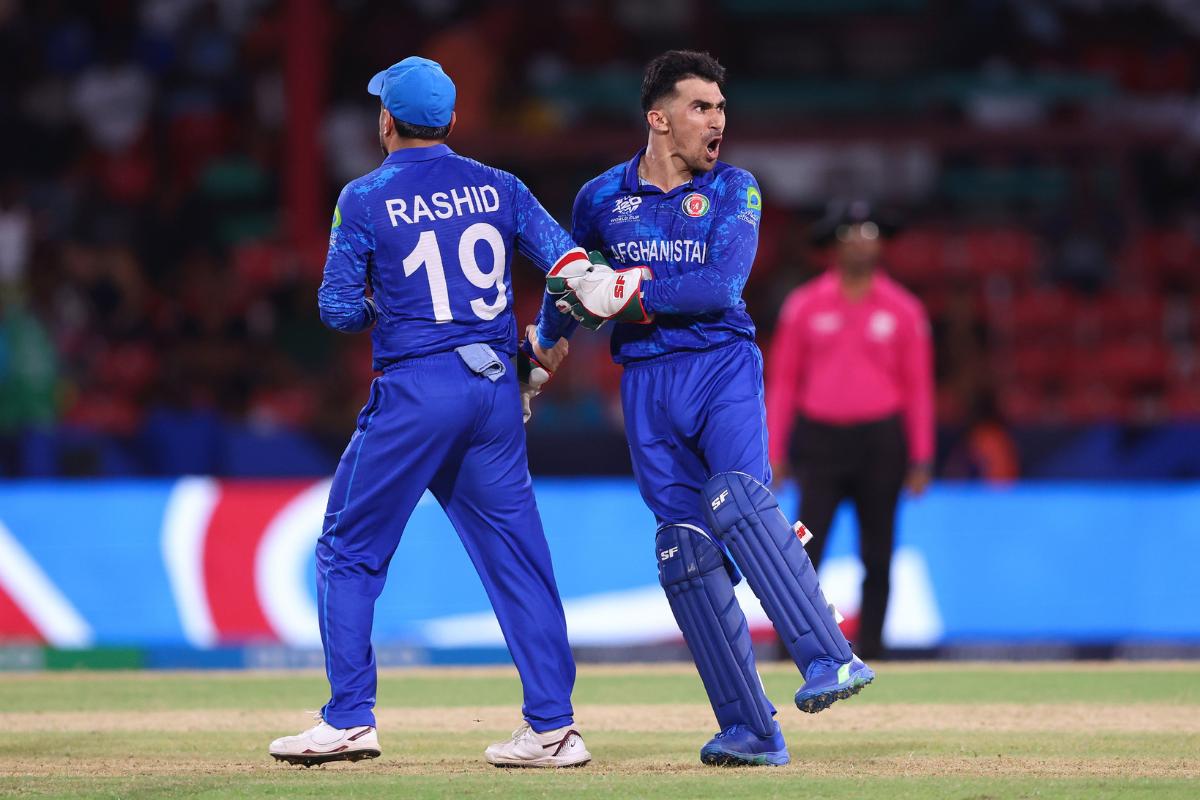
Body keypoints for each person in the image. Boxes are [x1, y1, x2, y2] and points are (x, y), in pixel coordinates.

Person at [541, 50, 873, 768]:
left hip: (720, 367)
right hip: (645, 386)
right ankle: (752, 730)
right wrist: (546, 347)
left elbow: (719, 285)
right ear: (658, 118)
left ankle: (830, 656)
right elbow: (568, 278)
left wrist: (623, 294)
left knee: (740, 504)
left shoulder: (735, 191)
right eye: (701, 107)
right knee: (685, 554)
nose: (717, 121)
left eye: (721, 108)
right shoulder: (600, 198)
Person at [268, 57, 593, 769]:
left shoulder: (363, 196)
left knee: (347, 552)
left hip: (418, 390)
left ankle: (350, 718)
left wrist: (389, 302)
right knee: (518, 560)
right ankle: (554, 728)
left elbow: (336, 309)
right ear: (450, 120)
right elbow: (572, 269)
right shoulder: (501, 186)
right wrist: (541, 348)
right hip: (495, 388)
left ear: (385, 121)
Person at [765, 200, 935, 660]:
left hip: (881, 442)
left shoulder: (904, 310)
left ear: (882, 243)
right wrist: (773, 450)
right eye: (850, 233)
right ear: (833, 245)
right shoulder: (803, 307)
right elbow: (783, 383)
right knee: (801, 552)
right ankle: (793, 649)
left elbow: (918, 387)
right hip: (821, 443)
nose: (861, 241)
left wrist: (921, 457)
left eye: (870, 231)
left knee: (878, 553)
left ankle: (875, 649)